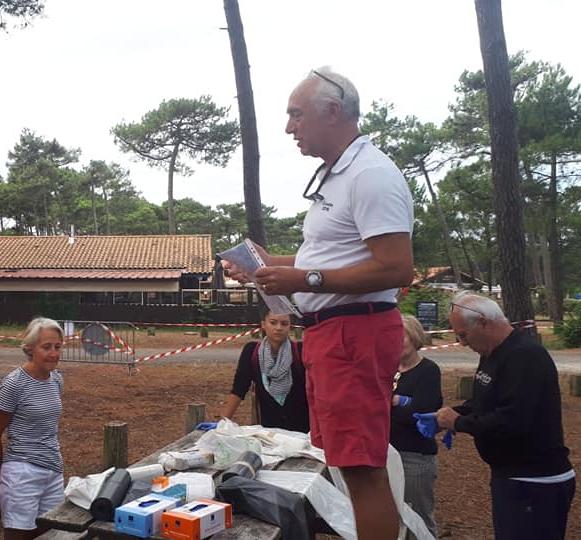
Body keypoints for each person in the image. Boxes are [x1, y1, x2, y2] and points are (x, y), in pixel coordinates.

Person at [223, 67, 414, 540]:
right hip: (334, 333)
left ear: (332, 112)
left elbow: (395, 268)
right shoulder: (340, 174)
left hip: (356, 332)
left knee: (363, 470)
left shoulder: (371, 175)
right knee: (348, 464)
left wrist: (302, 276)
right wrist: (270, 264)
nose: (289, 127)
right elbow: (332, 256)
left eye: (296, 114)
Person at [433, 292, 575, 540]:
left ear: (483, 322)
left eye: (463, 334)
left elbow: (513, 420)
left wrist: (459, 422)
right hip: (509, 475)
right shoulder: (491, 354)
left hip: (535, 480)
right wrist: (458, 411)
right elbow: (485, 402)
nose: (461, 343)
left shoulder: (524, 356)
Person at [0, 317, 65, 540]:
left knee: (50, 533)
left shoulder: (57, 380)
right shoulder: (15, 383)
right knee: (19, 534)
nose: (53, 353)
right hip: (21, 472)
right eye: (46, 347)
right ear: (30, 349)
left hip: (53, 469)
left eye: (57, 347)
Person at [390, 314, 442, 538]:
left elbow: (420, 413)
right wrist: (403, 401)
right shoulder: (387, 368)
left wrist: (393, 402)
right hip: (387, 453)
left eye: (403, 336)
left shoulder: (428, 370)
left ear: (415, 337)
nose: (397, 340)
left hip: (415, 457)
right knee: (393, 517)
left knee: (418, 517)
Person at [223, 310, 309, 432]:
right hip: (268, 429)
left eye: (284, 324)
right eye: (273, 323)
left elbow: (315, 391)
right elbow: (239, 389)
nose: (278, 328)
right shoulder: (251, 352)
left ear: (290, 326)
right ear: (263, 324)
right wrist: (223, 423)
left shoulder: (300, 351)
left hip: (302, 430)